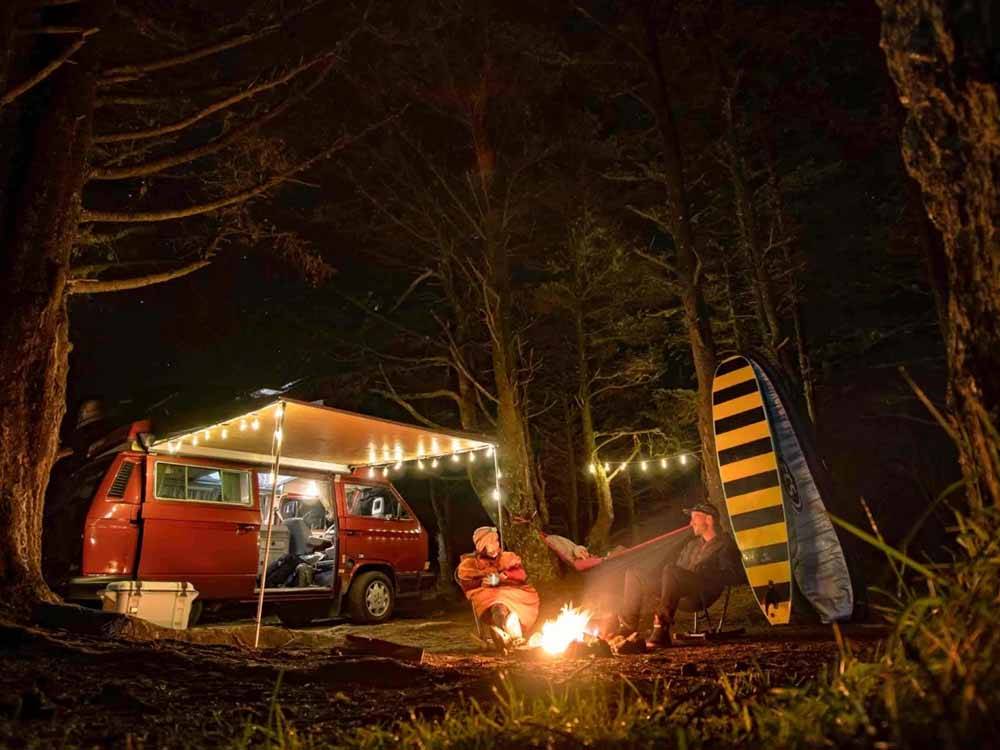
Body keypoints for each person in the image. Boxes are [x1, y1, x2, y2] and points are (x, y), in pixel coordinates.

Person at [616, 503, 737, 649]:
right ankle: (627, 628)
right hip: (680, 591)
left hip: (703, 592)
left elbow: (732, 575)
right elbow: (676, 571)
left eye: (694, 518)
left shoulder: (725, 545)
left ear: (709, 520)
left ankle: (661, 628)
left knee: (671, 570)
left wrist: (706, 572)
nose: (690, 523)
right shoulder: (692, 545)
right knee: (634, 574)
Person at [456, 526, 540, 650]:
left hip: (513, 590)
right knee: (499, 604)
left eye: (496, 542)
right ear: (482, 547)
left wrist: (504, 576)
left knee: (517, 602)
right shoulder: (470, 564)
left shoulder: (507, 557)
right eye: (490, 545)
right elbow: (466, 583)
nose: (495, 547)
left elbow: (521, 574)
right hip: (487, 594)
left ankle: (514, 632)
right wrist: (482, 582)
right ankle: (504, 634)